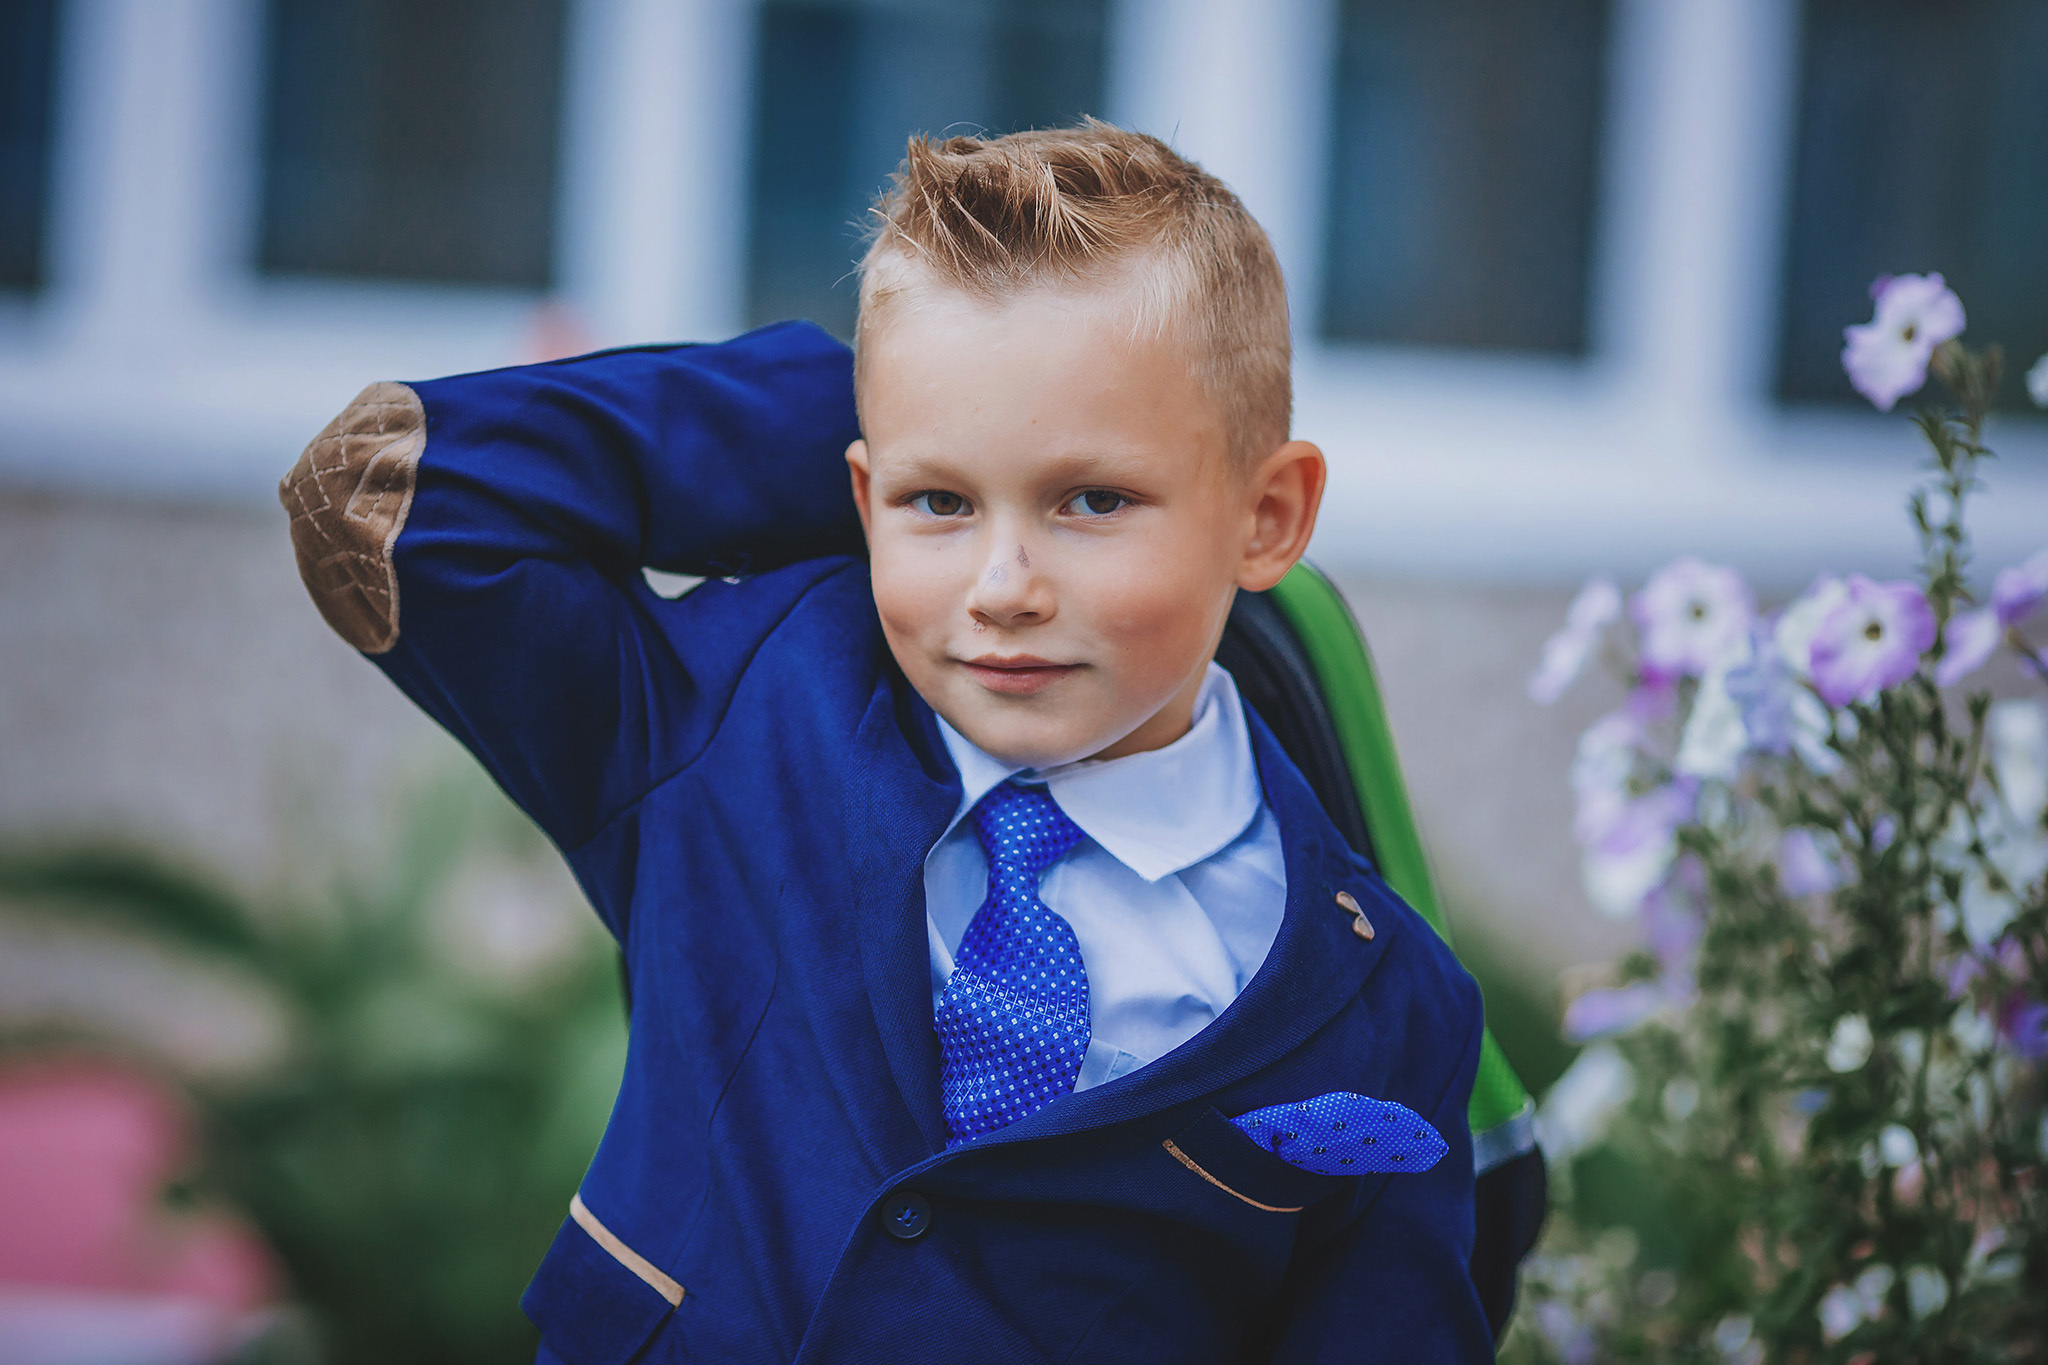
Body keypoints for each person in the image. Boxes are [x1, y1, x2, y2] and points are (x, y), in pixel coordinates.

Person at [279, 122, 1491, 1363]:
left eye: (1091, 499)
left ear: (1267, 514)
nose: (1003, 585)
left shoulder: (1383, 1002)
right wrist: (858, 397)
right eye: (940, 502)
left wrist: (958, 431)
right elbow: (383, 505)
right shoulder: (730, 715)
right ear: (859, 498)